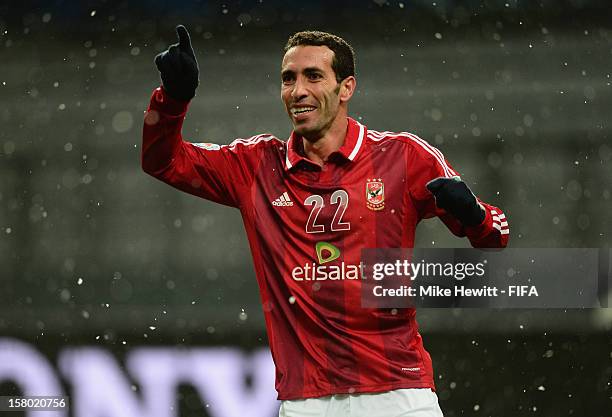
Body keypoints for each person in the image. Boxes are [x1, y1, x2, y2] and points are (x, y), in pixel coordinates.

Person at [142, 26, 509, 417]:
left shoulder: (404, 156)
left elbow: (495, 236)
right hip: (307, 403)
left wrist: (474, 215)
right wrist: (172, 101)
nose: (298, 90)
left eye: (313, 76)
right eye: (289, 78)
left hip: (399, 395)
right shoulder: (256, 166)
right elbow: (163, 161)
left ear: (346, 87)